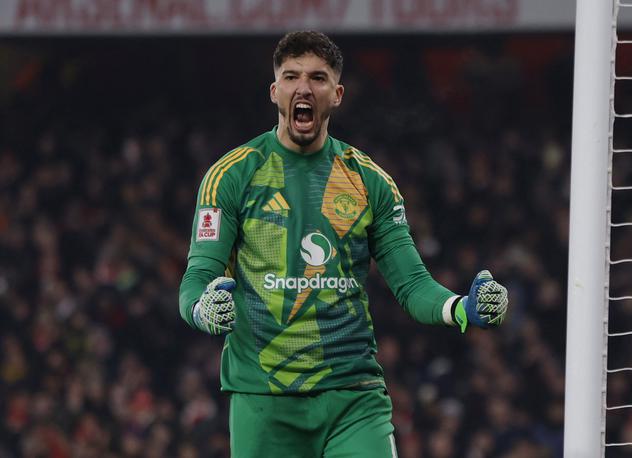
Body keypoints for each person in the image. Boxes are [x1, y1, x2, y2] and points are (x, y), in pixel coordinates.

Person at [179, 30, 508, 458]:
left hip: (353, 398)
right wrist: (203, 310)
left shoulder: (370, 182)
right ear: (275, 91)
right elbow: (197, 278)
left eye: (317, 78)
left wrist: (462, 307)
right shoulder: (231, 176)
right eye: (292, 76)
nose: (303, 87)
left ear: (336, 94)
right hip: (264, 400)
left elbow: (412, 285)